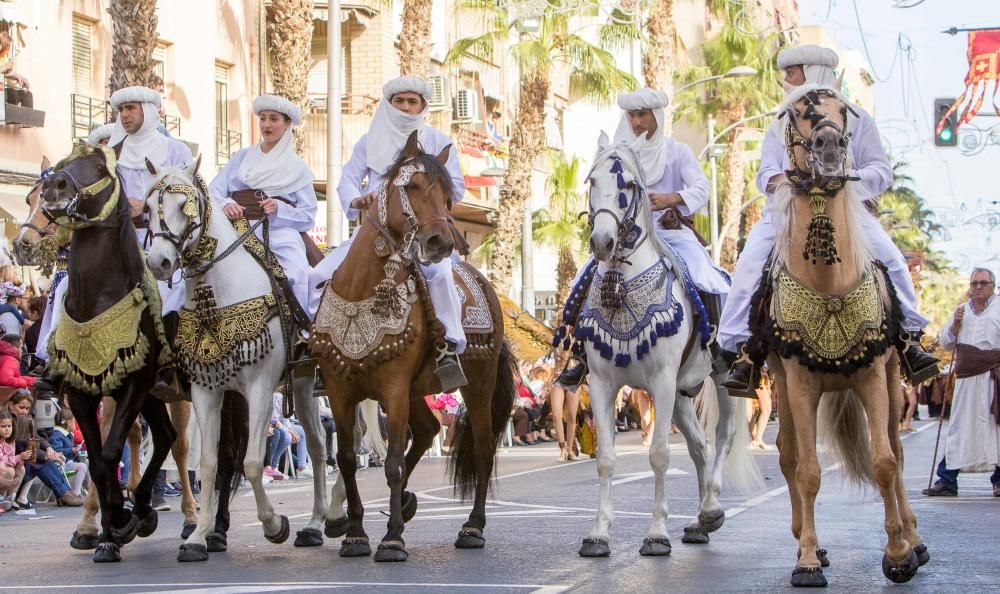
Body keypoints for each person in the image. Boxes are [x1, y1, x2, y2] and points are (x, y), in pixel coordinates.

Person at [719, 44, 939, 394]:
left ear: (812, 72)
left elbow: (880, 172)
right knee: (748, 264)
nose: (786, 80)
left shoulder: (858, 117)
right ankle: (741, 350)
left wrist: (847, 179)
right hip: (790, 209)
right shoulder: (782, 119)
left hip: (846, 208)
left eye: (792, 73)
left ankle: (910, 339)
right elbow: (766, 172)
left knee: (893, 260)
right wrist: (785, 181)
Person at [555, 88, 729, 389]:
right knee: (583, 279)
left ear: (656, 116)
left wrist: (672, 198)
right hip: (626, 242)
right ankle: (582, 355)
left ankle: (717, 348)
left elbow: (702, 187)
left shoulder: (677, 152)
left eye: (643, 115)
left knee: (705, 274)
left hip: (671, 234)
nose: (637, 122)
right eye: (632, 115)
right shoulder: (616, 155)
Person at [308, 76, 468, 391]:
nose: (406, 107)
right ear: (389, 104)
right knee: (319, 275)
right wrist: (358, 198)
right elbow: (347, 181)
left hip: (418, 231)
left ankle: (449, 347)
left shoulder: (436, 141)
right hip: (374, 230)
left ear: (423, 106)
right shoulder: (369, 142)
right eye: (400, 101)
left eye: (413, 102)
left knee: (441, 274)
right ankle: (316, 348)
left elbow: (458, 187)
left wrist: (431, 194)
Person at [109, 85, 193, 397]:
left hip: (168, 240)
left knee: (170, 291)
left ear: (147, 110)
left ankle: (168, 365)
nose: (125, 115)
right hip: (125, 239)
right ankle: (60, 361)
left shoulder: (176, 152)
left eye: (131, 108)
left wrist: (144, 204)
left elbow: (190, 196)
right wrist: (122, 207)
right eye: (121, 110)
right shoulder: (113, 154)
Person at [209, 94, 317, 315]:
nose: (266, 124)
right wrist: (226, 203)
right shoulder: (241, 157)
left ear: (287, 124)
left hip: (280, 234)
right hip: (235, 231)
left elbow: (308, 215)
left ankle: (302, 331)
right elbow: (213, 190)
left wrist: (280, 209)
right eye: (263, 118)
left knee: (297, 273)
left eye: (274, 119)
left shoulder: (297, 168)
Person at [923, 268, 1000, 497]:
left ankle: (998, 480)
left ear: (992, 286)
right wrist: (955, 326)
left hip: (992, 377)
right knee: (959, 426)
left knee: (994, 427)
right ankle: (947, 480)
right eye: (974, 283)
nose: (977, 287)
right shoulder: (961, 310)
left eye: (982, 283)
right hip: (966, 380)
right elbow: (946, 342)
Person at [8, 397, 83, 507]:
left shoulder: (26, 420)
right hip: (14, 461)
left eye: (27, 408)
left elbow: (37, 438)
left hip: (24, 459)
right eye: (21, 407)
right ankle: (63, 493)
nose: (24, 411)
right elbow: (22, 444)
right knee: (39, 462)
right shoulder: (7, 422)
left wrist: (49, 449)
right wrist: (47, 456)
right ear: (11, 405)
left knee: (44, 460)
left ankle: (65, 492)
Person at [47, 408, 89, 498]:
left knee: (87, 462)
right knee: (82, 466)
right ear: (69, 422)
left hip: (68, 462)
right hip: (60, 465)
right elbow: (57, 451)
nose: (74, 424)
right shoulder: (57, 435)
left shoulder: (67, 434)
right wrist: (71, 450)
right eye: (74, 422)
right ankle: (76, 493)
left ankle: (90, 488)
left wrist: (75, 452)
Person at [0, 411, 24, 512]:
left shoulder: (10, 441)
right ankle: (1, 498)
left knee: (21, 469)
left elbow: (11, 458)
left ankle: (9, 498)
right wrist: (18, 457)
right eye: (3, 426)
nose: (7, 429)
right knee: (6, 469)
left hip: (6, 465)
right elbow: (2, 459)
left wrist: (19, 461)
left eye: (9, 426)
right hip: (2, 466)